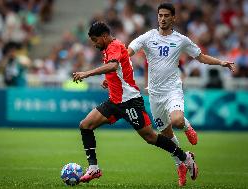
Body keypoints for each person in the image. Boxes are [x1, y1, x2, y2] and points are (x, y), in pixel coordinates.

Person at [72, 21, 198, 186]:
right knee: (85, 125)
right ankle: (94, 168)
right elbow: (120, 69)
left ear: (104, 36)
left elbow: (113, 65)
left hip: (129, 101)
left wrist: (87, 73)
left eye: (96, 40)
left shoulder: (114, 45)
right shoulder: (108, 48)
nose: (95, 44)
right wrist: (109, 81)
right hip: (115, 101)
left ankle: (185, 157)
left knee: (150, 137)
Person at [128, 3, 236, 186]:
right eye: (160, 15)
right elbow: (129, 51)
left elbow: (200, 56)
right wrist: (119, 62)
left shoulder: (181, 40)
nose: (162, 19)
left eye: (166, 16)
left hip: (172, 90)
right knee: (166, 135)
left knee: (177, 120)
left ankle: (186, 127)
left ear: (173, 18)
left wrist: (221, 63)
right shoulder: (148, 37)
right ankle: (182, 162)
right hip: (154, 94)